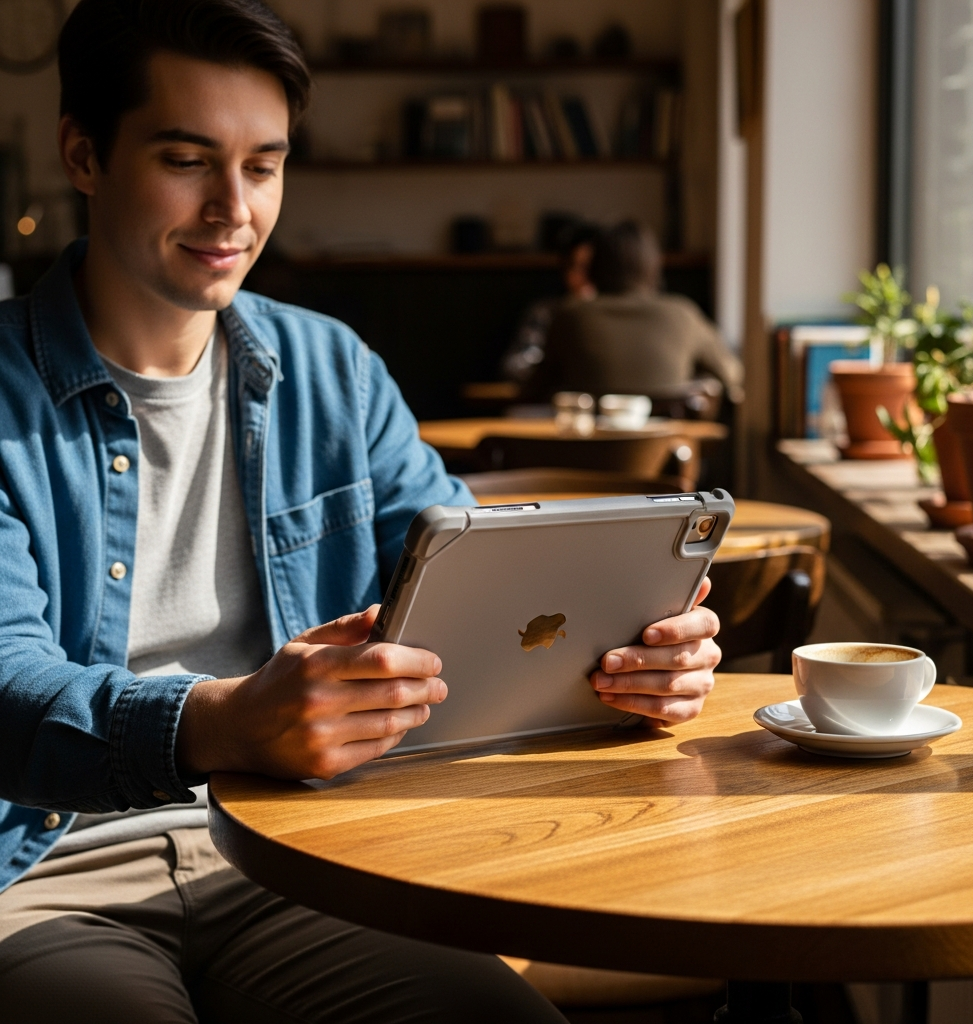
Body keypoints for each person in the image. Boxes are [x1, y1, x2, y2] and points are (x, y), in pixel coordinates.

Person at [0, 2, 722, 1021]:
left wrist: (621, 660)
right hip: (46, 871)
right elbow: (6, 683)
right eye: (186, 159)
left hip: (306, 856)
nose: (232, 210)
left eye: (263, 165)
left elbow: (477, 593)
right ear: (84, 154)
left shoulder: (331, 370)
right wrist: (224, 721)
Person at [525, 220, 745, 402]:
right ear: (653, 266)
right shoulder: (683, 314)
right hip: (669, 450)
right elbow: (732, 373)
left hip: (585, 452)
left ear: (595, 267)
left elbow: (533, 391)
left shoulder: (570, 316)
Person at [500, 222, 599, 385]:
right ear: (565, 272)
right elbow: (515, 366)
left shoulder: (619, 317)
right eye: (577, 268)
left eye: (592, 268)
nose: (584, 277)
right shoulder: (547, 312)